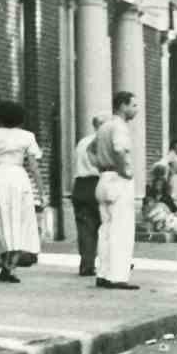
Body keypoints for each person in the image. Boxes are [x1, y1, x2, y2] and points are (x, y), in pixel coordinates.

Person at [0, 99, 42, 285]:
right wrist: (40, 191)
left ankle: (5, 262)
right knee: (20, 219)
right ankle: (11, 266)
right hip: (18, 176)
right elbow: (34, 166)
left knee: (0, 219)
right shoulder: (27, 136)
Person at [93, 89, 140, 290]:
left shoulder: (104, 126)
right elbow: (120, 150)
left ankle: (102, 273)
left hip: (103, 177)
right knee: (122, 230)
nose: (136, 110)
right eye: (133, 105)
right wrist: (126, 171)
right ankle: (118, 276)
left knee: (105, 229)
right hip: (118, 179)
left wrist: (100, 165)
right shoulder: (120, 127)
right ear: (122, 105)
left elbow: (90, 150)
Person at [69, 116, 102, 278]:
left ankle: (86, 264)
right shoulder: (103, 141)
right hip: (98, 183)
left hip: (80, 185)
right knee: (106, 226)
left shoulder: (82, 142)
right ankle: (111, 263)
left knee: (85, 228)